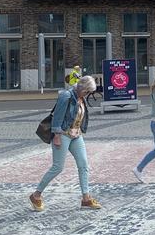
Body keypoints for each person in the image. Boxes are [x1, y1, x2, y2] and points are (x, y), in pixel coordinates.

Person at [30, 75, 101, 211]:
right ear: (81, 88)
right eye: (87, 92)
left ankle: (86, 199)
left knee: (84, 165)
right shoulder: (66, 96)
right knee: (58, 167)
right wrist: (56, 135)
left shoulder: (81, 97)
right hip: (62, 134)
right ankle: (36, 195)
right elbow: (57, 116)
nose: (87, 95)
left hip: (76, 135)